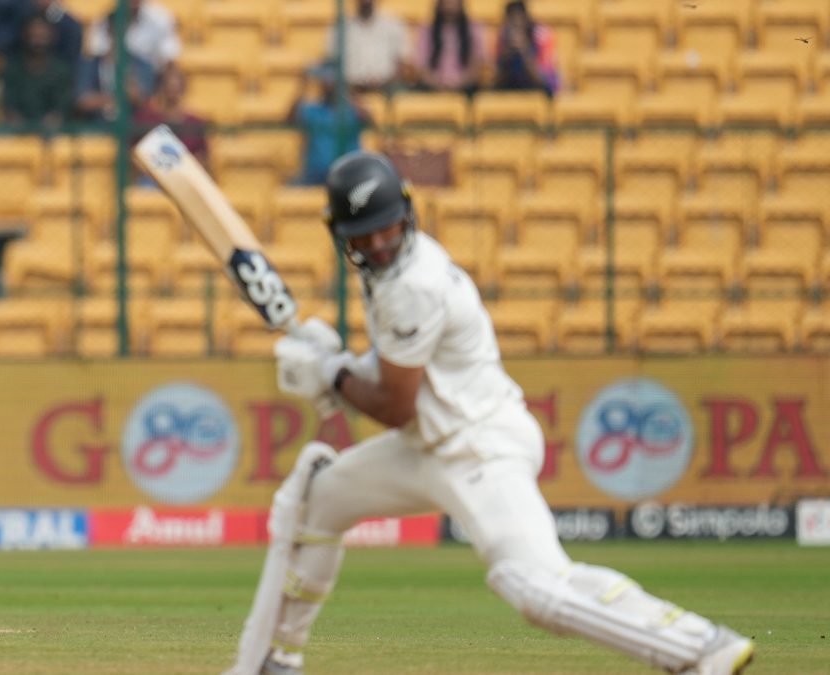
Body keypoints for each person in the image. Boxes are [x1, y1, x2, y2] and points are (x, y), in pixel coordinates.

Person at [227, 152, 756, 675]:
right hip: (426, 445)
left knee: (532, 585)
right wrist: (340, 363)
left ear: (407, 213)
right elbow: (403, 374)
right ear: (341, 235)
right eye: (364, 237)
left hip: (478, 446)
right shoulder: (394, 274)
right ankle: (278, 660)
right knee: (316, 501)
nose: (380, 246)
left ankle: (697, 644)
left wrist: (332, 376)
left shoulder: (414, 283)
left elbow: (393, 405)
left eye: (387, 230)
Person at [289, 63, 371, 186]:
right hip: (316, 176)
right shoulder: (314, 110)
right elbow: (290, 118)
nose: (329, 85)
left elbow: (369, 119)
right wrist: (304, 84)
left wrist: (349, 89)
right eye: (326, 81)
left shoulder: (351, 111)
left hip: (349, 174)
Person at [74, 10, 156, 123]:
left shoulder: (142, 65)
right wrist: (117, 97)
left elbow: (143, 101)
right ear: (108, 29)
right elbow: (83, 101)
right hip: (97, 128)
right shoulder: (91, 64)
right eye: (114, 26)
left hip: (130, 129)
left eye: (123, 26)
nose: (118, 31)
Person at [1, 12, 74, 130]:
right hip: (17, 135)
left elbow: (63, 107)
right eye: (34, 36)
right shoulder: (13, 68)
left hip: (55, 137)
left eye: (42, 37)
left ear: (52, 37)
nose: (38, 42)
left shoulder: (61, 70)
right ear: (25, 36)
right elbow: (9, 105)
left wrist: (52, 121)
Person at [324, 0, 412, 93]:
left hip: (387, 89)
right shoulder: (340, 27)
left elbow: (403, 63)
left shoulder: (394, 25)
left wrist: (387, 81)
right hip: (351, 89)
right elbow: (331, 63)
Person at [85, 0, 180, 82]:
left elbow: (169, 61)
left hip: (152, 84)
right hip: (111, 83)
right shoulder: (104, 20)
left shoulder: (160, 18)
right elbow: (97, 58)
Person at [132, 67, 207, 166]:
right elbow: (133, 151)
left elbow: (202, 157)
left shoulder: (194, 123)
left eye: (175, 88)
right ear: (161, 88)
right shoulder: (147, 119)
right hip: (152, 175)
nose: (172, 92)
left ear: (183, 89)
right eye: (168, 87)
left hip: (183, 176)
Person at [413, 0, 486, 96]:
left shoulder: (473, 29)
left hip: (466, 88)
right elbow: (421, 66)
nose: (450, 7)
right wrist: (438, 85)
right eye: (446, 3)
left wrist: (459, 83)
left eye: (453, 3)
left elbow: (477, 63)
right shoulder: (427, 30)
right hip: (431, 87)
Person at [493, 0, 558, 95]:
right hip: (510, 85)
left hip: (540, 86)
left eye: (518, 19)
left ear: (526, 18)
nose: (516, 24)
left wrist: (524, 50)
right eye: (511, 20)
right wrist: (506, 54)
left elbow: (542, 78)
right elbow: (498, 78)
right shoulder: (503, 36)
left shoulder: (541, 35)